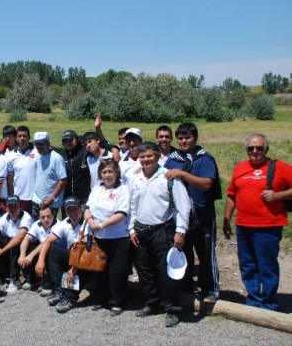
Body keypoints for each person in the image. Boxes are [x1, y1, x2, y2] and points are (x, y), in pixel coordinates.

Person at [223, 133, 292, 311]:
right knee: (247, 264)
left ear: (266, 149)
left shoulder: (280, 167)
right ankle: (253, 299)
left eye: (259, 148)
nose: (255, 151)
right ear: (246, 150)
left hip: (268, 226)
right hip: (243, 225)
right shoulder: (240, 168)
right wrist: (227, 219)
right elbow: (232, 195)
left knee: (266, 264)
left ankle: (268, 302)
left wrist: (279, 195)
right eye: (251, 148)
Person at [128, 142, 191, 327]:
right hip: (141, 231)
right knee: (145, 270)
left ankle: (172, 308)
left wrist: (181, 231)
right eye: (142, 157)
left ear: (157, 156)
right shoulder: (135, 178)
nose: (146, 160)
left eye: (149, 156)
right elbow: (132, 205)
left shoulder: (169, 177)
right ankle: (152, 303)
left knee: (165, 272)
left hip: (162, 230)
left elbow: (183, 206)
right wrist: (131, 228)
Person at [164, 122, 222, 302]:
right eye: (180, 138)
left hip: (203, 214)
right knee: (183, 251)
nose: (183, 141)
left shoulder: (204, 158)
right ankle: (184, 287)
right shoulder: (172, 159)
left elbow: (206, 184)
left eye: (187, 137)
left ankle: (210, 289)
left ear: (195, 138)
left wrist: (183, 175)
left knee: (205, 253)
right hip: (180, 216)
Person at [84, 159, 131, 315]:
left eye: (110, 171)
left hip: (118, 237)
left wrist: (102, 225)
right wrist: (90, 221)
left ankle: (116, 302)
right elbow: (87, 208)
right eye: (104, 172)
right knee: (100, 270)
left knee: (117, 272)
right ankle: (102, 299)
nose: (107, 175)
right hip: (99, 237)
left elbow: (121, 214)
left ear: (117, 173)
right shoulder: (97, 188)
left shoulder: (122, 190)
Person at [34, 196, 87, 314]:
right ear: (66, 212)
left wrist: (73, 268)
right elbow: (47, 240)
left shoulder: (87, 224)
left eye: (75, 209)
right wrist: (40, 261)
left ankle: (70, 298)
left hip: (86, 258)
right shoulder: (65, 223)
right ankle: (60, 291)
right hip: (73, 255)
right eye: (69, 210)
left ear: (81, 209)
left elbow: (85, 252)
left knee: (77, 266)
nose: (73, 213)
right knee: (52, 249)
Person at [0, 195, 33, 293]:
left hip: (25, 248)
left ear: (21, 207)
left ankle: (15, 280)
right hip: (10, 245)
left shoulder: (26, 216)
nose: (12, 209)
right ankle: (0, 276)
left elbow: (20, 236)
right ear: (6, 208)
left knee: (15, 243)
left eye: (15, 206)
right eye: (10, 206)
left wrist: (1, 250)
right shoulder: (5, 217)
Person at [18, 204, 57, 291]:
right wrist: (22, 255)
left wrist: (31, 255)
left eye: (48, 216)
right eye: (43, 217)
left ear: (53, 215)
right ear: (39, 217)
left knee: (48, 251)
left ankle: (47, 284)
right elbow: (26, 239)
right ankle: (32, 280)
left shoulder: (58, 225)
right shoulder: (36, 224)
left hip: (55, 252)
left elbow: (46, 242)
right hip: (42, 248)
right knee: (28, 246)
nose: (46, 219)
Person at [31, 132, 67, 219]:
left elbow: (63, 180)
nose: (40, 146)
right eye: (37, 144)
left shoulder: (57, 158)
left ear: (48, 143)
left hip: (51, 202)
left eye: (42, 143)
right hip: (37, 199)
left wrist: (52, 197)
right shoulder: (37, 156)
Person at [6, 125, 36, 213]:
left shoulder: (37, 152)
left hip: (34, 197)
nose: (22, 138)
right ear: (16, 138)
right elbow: (10, 179)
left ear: (29, 138)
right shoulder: (10, 155)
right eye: (19, 136)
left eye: (25, 136)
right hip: (18, 197)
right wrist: (11, 197)